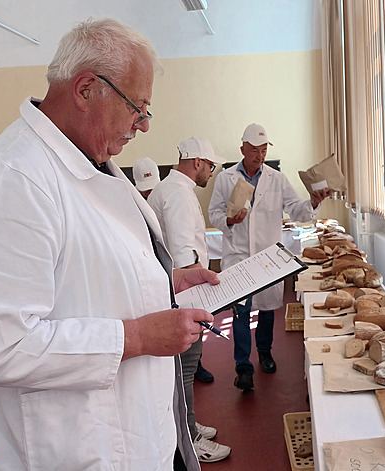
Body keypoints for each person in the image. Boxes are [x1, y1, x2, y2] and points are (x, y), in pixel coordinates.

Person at [0, 18, 217, 471]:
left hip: (138, 433)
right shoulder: (11, 178)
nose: (143, 125)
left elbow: (82, 276)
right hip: (77, 449)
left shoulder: (92, 163)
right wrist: (135, 337)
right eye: (139, 107)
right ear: (85, 90)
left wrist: (165, 282)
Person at [208, 123, 332, 391]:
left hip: (267, 257)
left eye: (264, 150)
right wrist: (228, 219)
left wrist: (313, 202)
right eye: (254, 150)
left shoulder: (276, 179)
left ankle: (265, 352)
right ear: (243, 149)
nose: (259, 155)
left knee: (266, 311)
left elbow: (297, 209)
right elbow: (214, 213)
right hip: (239, 256)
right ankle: (243, 368)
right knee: (241, 312)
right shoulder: (225, 178)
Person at [148, 137, 231, 463]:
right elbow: (185, 261)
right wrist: (217, 294)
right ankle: (189, 439)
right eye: (210, 166)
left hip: (174, 295)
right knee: (184, 371)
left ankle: (189, 424)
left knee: (183, 371)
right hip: (183, 298)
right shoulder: (179, 195)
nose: (211, 172)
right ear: (197, 162)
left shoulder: (171, 190)